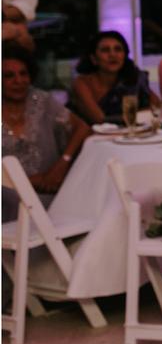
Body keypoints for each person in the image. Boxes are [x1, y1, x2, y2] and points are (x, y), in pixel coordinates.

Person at [2, 45, 89, 221]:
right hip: (7, 196)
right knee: (15, 201)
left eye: (23, 74)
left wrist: (62, 164)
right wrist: (28, 182)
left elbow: (82, 128)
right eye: (8, 76)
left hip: (50, 190)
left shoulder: (42, 101)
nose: (18, 81)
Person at [69, 30, 152, 125]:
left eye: (118, 49)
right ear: (94, 59)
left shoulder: (135, 78)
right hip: (92, 137)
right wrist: (139, 116)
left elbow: (157, 109)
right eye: (105, 50)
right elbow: (99, 120)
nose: (113, 55)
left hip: (131, 135)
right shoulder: (81, 83)